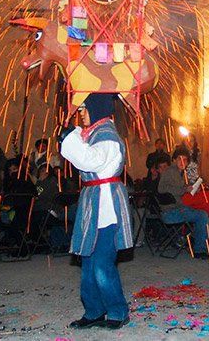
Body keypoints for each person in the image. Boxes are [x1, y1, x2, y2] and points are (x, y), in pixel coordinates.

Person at [59, 93, 133, 330]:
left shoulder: (107, 135)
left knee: (101, 262)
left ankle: (118, 311)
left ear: (97, 108)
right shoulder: (93, 133)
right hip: (94, 201)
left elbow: (91, 161)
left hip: (106, 205)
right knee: (88, 261)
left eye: (85, 108)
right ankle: (94, 311)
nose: (81, 113)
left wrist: (70, 138)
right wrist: (74, 137)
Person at [157, 154, 209, 259]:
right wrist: (185, 189)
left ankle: (193, 240)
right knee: (202, 215)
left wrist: (191, 188)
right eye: (179, 159)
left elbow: (178, 187)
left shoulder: (179, 173)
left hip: (174, 209)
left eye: (185, 160)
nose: (182, 162)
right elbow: (161, 189)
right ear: (174, 160)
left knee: (199, 212)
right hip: (171, 212)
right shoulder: (171, 172)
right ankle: (199, 249)